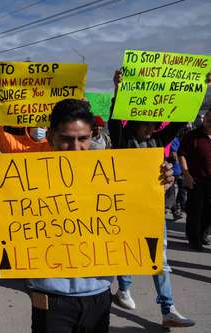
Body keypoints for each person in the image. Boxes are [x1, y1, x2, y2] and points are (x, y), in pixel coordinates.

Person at [0, 98, 175, 332]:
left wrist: (156, 187)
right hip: (49, 298)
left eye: (82, 139)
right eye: (66, 139)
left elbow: (133, 209)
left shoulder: (109, 169)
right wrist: (1, 192)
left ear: (92, 135)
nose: (75, 147)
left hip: (99, 295)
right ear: (52, 134)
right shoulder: (28, 172)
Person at [108, 70, 194, 328]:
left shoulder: (158, 140)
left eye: (152, 124)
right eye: (144, 124)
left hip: (152, 209)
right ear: (134, 124)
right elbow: (115, 119)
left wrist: (193, 90)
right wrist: (118, 90)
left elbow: (178, 123)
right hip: (125, 207)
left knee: (160, 258)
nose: (149, 129)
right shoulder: (124, 140)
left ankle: (168, 308)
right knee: (127, 252)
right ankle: (124, 289)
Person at [178, 109, 211, 251]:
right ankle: (194, 239)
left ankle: (203, 234)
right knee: (195, 211)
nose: (210, 123)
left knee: (209, 211)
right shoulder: (192, 136)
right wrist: (186, 174)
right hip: (196, 180)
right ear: (204, 119)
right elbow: (182, 154)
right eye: (209, 119)